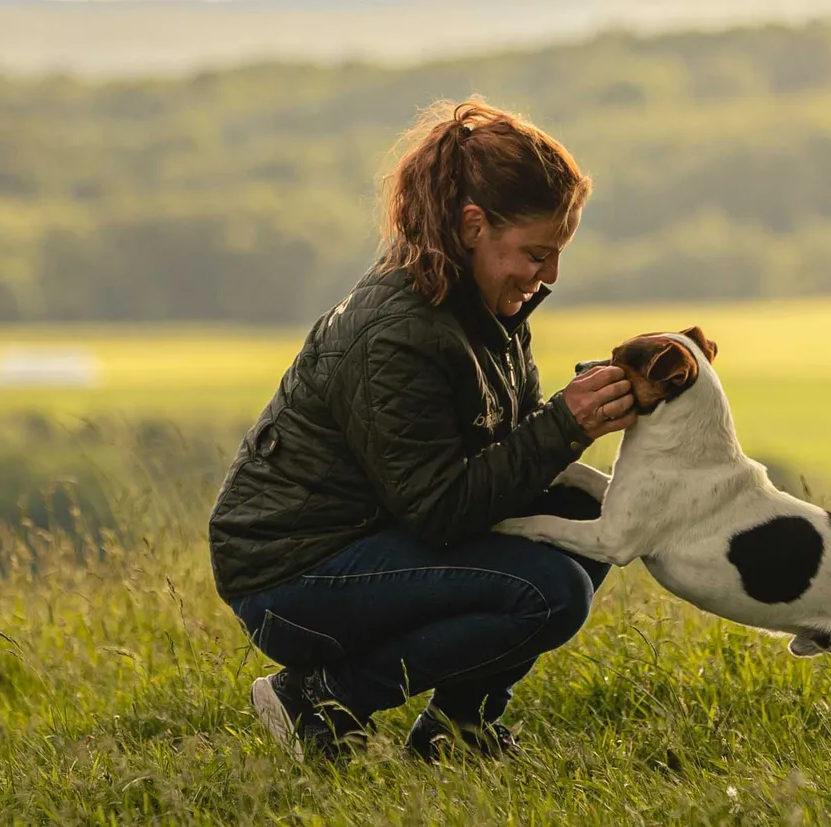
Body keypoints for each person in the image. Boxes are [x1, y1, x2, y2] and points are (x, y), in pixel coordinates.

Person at [208, 96, 636, 762]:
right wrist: (566, 424)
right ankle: (320, 699)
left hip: (371, 538)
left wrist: (576, 421)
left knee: (590, 514)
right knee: (549, 592)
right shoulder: (399, 332)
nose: (549, 275)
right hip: (291, 575)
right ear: (473, 225)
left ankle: (457, 732)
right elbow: (440, 508)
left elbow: (503, 459)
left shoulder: (478, 303)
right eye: (535, 253)